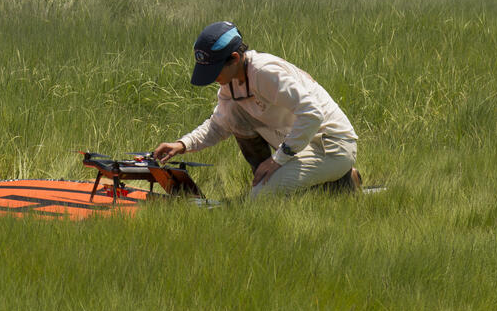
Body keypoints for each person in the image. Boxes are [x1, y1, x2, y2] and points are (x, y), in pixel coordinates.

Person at [152, 21, 361, 197]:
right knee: (234, 113)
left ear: (234, 58)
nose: (213, 77)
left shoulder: (264, 73)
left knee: (262, 198)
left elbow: (313, 114)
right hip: (301, 141)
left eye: (214, 70)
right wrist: (182, 144)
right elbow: (219, 124)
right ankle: (320, 181)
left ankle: (341, 182)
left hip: (331, 145)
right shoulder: (231, 82)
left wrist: (277, 160)